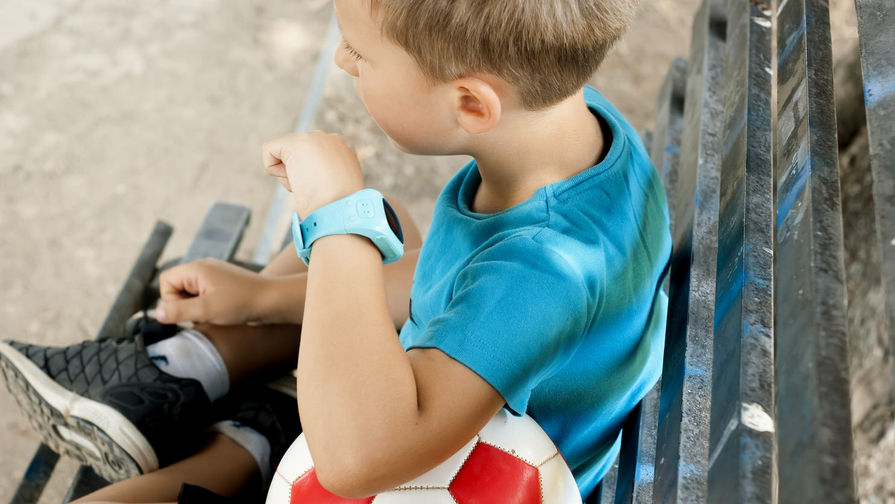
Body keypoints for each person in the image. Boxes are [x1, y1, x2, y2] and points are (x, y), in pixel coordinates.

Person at [0, 0, 671, 501]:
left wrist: (333, 215)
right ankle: (188, 375)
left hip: (440, 473)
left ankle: (245, 437)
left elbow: (357, 460)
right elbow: (451, 285)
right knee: (384, 220)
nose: (343, 62)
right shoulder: (577, 132)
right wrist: (263, 295)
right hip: (444, 402)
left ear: (470, 104)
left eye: (357, 52)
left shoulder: (541, 272)